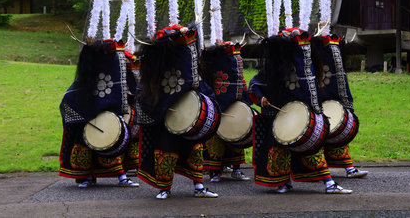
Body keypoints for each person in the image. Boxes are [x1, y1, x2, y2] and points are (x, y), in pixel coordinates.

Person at [248, 28, 352, 194]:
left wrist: (314, 109)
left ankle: (328, 182)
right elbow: (255, 83)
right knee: (279, 148)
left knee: (313, 149)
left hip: (303, 114)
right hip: (280, 114)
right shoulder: (276, 66)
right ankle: (283, 182)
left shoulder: (304, 63)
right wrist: (261, 98)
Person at [135, 24, 218, 199]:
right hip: (166, 117)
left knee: (195, 149)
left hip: (188, 114)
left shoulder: (188, 68)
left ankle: (199, 186)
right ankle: (164, 188)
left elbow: (196, 83)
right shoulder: (157, 70)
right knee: (166, 149)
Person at [59, 39, 139, 188]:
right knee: (85, 134)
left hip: (111, 115)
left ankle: (121, 176)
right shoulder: (87, 77)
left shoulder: (118, 68)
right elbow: (69, 99)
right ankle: (87, 175)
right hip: (91, 118)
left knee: (117, 131)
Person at [311, 34, 368, 179]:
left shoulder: (333, 62)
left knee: (339, 137)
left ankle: (349, 168)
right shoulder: (312, 59)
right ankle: (320, 172)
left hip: (332, 103)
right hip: (315, 106)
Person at [200, 41, 252, 182]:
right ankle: (215, 172)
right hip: (219, 107)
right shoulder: (215, 66)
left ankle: (236, 169)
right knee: (216, 140)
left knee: (236, 136)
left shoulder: (234, 69)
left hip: (234, 107)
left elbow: (241, 84)